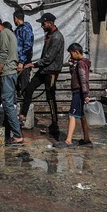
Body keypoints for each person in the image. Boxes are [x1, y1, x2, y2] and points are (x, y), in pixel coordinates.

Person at [19, 12, 64, 140]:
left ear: (49, 23)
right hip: (44, 70)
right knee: (29, 88)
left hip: (51, 72)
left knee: (50, 98)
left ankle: (55, 126)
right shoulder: (49, 35)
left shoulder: (57, 38)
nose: (42, 26)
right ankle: (23, 115)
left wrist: (34, 65)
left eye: (43, 24)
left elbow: (49, 58)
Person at [0, 17, 23, 146]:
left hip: (7, 72)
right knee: (9, 103)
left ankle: (18, 135)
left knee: (7, 104)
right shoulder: (10, 33)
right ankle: (8, 131)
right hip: (12, 72)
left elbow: (3, 54)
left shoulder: (3, 34)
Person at [55, 43, 91, 148]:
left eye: (71, 53)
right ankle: (86, 138)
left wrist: (85, 94)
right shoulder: (82, 63)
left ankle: (68, 140)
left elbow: (83, 80)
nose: (71, 56)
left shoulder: (80, 64)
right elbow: (77, 76)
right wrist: (71, 68)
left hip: (78, 92)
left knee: (72, 115)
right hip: (80, 92)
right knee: (82, 116)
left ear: (76, 52)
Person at [13, 10, 34, 97]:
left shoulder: (25, 29)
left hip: (24, 62)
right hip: (17, 61)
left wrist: (21, 61)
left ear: (15, 18)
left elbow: (28, 46)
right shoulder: (18, 30)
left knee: (24, 85)